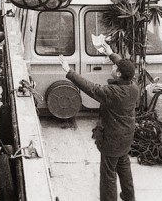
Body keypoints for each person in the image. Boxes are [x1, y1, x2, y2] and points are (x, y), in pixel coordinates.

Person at [58, 41, 138, 201]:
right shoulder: (133, 86)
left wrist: (69, 71)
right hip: (127, 136)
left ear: (119, 75)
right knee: (123, 165)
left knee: (108, 174)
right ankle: (129, 197)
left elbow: (91, 88)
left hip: (112, 139)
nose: (113, 67)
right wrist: (110, 53)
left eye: (115, 68)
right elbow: (123, 65)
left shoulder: (113, 92)